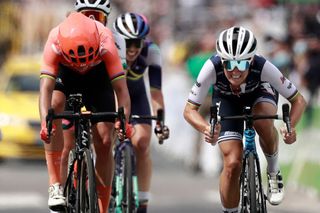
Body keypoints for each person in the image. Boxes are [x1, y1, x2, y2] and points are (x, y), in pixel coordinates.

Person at [183, 26, 306, 213]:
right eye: (229, 64)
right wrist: (206, 128)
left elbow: (298, 100)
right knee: (232, 163)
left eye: (241, 64)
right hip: (227, 100)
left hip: (259, 94)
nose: (235, 71)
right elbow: (189, 110)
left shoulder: (263, 66)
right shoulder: (211, 67)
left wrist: (291, 127)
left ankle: (273, 171)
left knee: (262, 121)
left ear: (251, 60)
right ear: (221, 61)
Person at [39, 12, 131, 213]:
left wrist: (123, 122)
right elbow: (45, 90)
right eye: (78, 62)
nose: (82, 66)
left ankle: (102, 206)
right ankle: (55, 185)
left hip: (98, 78)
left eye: (86, 61)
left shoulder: (106, 40)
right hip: (66, 74)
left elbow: (122, 90)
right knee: (54, 105)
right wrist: (45, 124)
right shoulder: (54, 41)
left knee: (106, 140)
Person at [113, 12, 169, 212]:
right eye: (128, 43)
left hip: (137, 97)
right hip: (112, 96)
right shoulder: (108, 49)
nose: (134, 49)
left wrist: (161, 121)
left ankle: (143, 201)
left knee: (142, 142)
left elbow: (155, 91)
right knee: (104, 138)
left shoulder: (152, 51)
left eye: (138, 43)